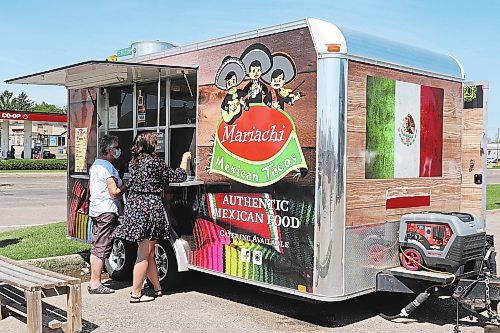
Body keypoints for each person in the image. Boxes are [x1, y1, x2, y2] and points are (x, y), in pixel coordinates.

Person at [114, 132, 190, 303]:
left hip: (135, 207)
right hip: (150, 209)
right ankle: (135, 293)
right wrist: (185, 158)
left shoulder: (134, 163)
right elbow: (179, 175)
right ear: (150, 145)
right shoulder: (155, 163)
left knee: (149, 253)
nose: (157, 145)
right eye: (155, 142)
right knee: (144, 253)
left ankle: (157, 289)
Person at [88, 134, 126, 294]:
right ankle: (95, 283)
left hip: (96, 208)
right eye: (117, 148)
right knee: (101, 247)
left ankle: (93, 281)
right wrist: (126, 186)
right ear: (110, 150)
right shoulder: (108, 168)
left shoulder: (96, 165)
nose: (119, 150)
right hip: (106, 210)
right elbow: (114, 192)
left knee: (97, 245)